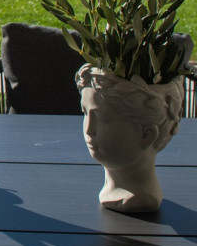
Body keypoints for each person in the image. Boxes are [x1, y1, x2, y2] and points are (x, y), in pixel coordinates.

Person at [76, 64, 182, 212]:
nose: (88, 130)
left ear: (147, 135)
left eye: (103, 118)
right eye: (85, 113)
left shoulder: (144, 199)